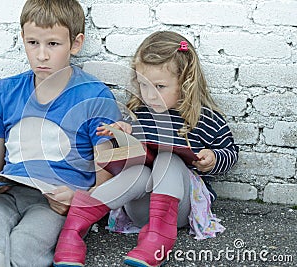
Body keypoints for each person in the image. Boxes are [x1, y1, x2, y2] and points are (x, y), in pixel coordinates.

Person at [0, 0, 121, 266]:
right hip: (6, 191)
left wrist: (79, 201)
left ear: (75, 44)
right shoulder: (4, 92)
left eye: (53, 44)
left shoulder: (95, 97)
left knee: (26, 248)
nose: (41, 55)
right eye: (33, 43)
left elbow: (106, 183)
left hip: (57, 201)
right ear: (22, 38)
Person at [53, 31, 239, 267]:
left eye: (159, 86)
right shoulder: (137, 115)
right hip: (139, 208)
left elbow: (231, 153)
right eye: (143, 85)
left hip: (179, 209)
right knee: (139, 171)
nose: (149, 95)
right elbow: (122, 161)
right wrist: (121, 136)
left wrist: (213, 158)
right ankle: (72, 232)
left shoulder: (205, 119)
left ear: (185, 81)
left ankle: (159, 239)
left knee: (168, 159)